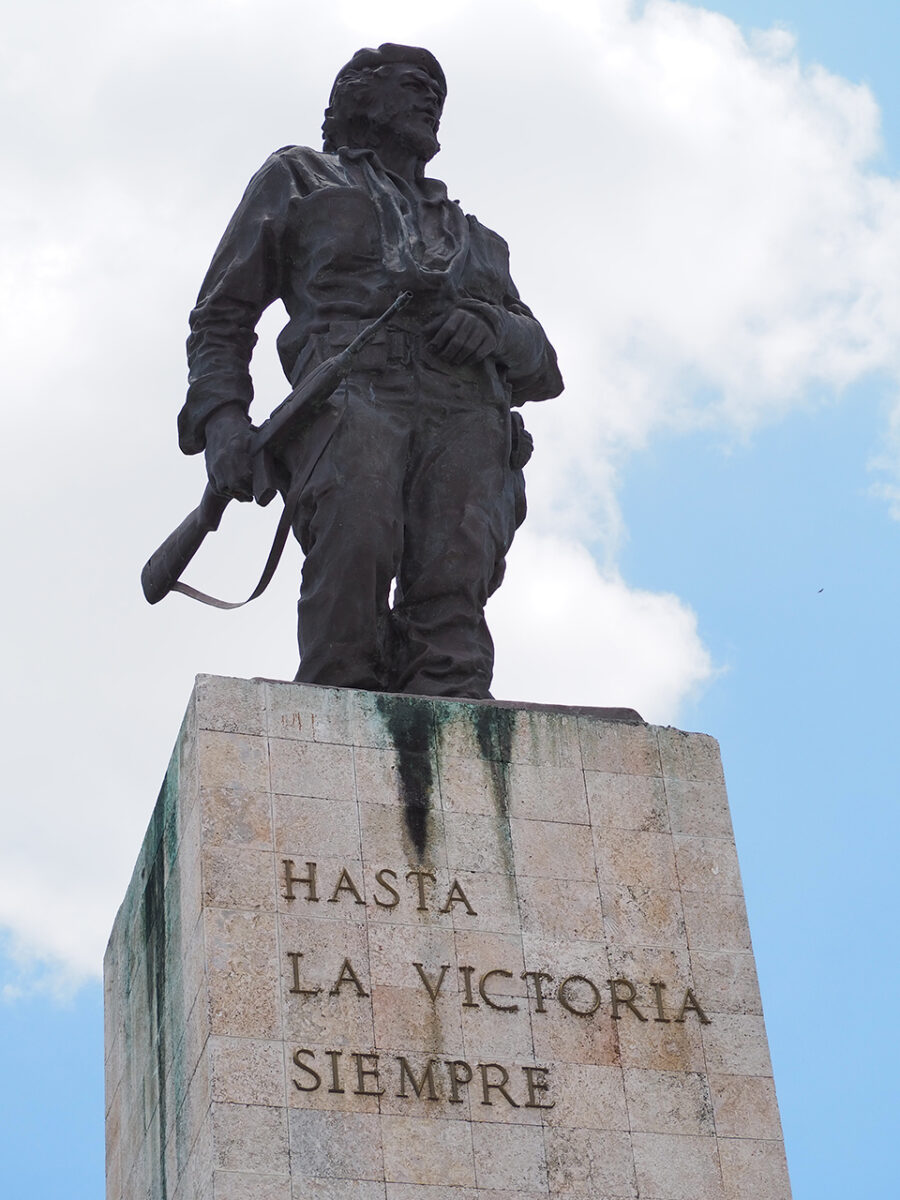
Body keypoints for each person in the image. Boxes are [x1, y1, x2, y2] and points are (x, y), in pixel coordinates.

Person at [177, 43, 563, 698]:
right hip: (350, 400)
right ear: (360, 94)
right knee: (351, 566)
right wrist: (222, 422)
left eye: (437, 87)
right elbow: (222, 315)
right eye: (413, 83)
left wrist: (494, 328)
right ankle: (335, 736)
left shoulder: (476, 240)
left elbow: (543, 368)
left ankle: (455, 741)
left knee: (453, 590)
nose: (430, 96)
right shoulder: (299, 177)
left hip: (466, 414)